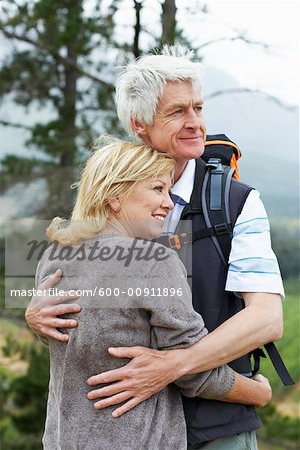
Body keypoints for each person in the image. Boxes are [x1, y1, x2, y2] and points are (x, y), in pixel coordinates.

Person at [26, 46, 284, 450]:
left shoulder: (235, 202)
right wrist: (37, 315)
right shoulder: (108, 207)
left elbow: (267, 320)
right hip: (136, 429)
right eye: (177, 111)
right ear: (139, 123)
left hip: (218, 427)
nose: (195, 123)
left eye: (198, 107)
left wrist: (172, 366)